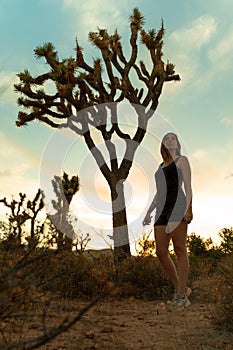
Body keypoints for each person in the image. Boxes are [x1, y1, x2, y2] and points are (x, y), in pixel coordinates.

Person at [143, 132, 193, 308]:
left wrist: (189, 209)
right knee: (160, 252)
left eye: (173, 138)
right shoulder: (160, 166)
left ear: (177, 143)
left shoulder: (182, 161)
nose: (170, 140)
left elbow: (187, 186)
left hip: (178, 205)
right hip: (161, 210)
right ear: (163, 144)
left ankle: (180, 297)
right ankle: (182, 289)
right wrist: (149, 211)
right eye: (166, 139)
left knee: (179, 249)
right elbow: (159, 192)